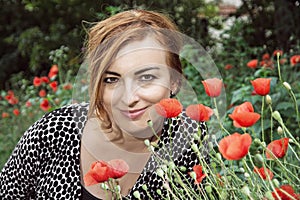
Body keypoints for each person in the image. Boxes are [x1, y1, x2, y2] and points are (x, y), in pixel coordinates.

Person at [0, 9, 208, 199]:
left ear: (175, 80)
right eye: (111, 80)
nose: (128, 98)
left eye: (146, 78)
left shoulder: (188, 138)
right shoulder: (56, 130)